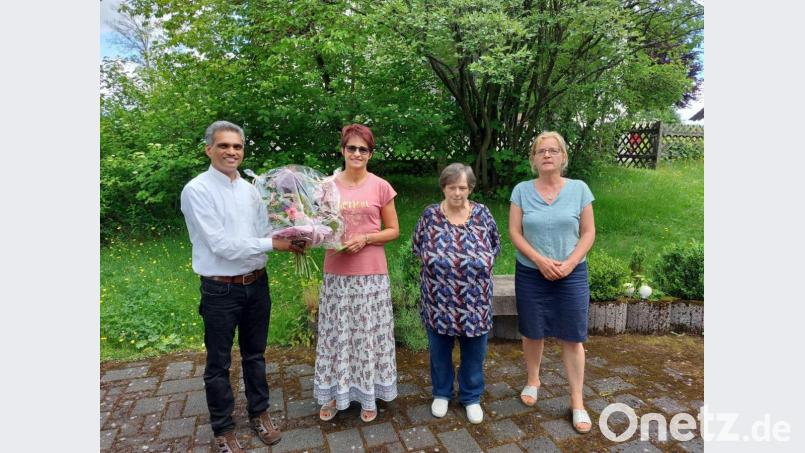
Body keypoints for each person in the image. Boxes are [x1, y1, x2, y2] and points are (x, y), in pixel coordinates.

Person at [180, 121, 304, 453]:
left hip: (256, 285)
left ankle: (259, 413)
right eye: (224, 146)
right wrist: (271, 245)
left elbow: (265, 229)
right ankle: (223, 428)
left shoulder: (251, 190)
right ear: (209, 149)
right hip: (220, 290)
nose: (231, 152)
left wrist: (295, 233)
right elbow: (221, 245)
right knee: (218, 362)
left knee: (255, 355)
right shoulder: (197, 190)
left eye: (237, 146)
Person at [508, 131, 596, 434]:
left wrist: (569, 263)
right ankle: (533, 380)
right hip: (532, 272)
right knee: (533, 331)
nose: (547, 155)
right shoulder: (521, 190)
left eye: (553, 150)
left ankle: (577, 401)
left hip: (572, 273)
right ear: (533, 158)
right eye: (541, 150)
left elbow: (588, 232)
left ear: (563, 157)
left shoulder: (580, 189)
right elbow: (515, 233)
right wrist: (541, 261)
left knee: (572, 337)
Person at [313, 124, 400, 423]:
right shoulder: (326, 186)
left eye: (363, 149)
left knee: (367, 336)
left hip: (371, 274)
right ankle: (334, 395)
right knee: (337, 334)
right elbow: (319, 228)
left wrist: (365, 238)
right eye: (352, 148)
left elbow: (394, 230)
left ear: (370, 154)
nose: (357, 153)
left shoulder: (380, 186)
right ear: (342, 150)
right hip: (337, 272)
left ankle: (368, 393)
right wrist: (318, 236)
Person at [412, 163, 500, 424]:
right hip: (439, 299)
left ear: (470, 188)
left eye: (463, 187)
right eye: (452, 187)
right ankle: (441, 393)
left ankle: (471, 396)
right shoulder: (429, 216)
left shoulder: (483, 214)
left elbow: (495, 245)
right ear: (444, 187)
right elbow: (417, 247)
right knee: (439, 350)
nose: (458, 193)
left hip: (476, 300)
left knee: (475, 352)